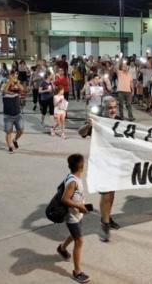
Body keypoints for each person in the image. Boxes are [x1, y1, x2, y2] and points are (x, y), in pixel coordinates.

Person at [81, 97, 122, 242]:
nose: (113, 110)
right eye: (110, 107)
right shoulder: (97, 120)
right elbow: (82, 132)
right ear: (104, 108)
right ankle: (104, 224)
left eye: (114, 107)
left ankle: (107, 217)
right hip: (101, 163)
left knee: (111, 193)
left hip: (114, 162)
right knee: (106, 194)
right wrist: (90, 125)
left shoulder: (119, 120)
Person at [57, 154, 90, 283]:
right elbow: (64, 199)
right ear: (82, 167)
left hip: (77, 214)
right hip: (72, 216)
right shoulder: (73, 181)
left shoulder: (74, 177)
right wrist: (79, 206)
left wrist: (80, 208)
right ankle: (77, 272)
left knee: (75, 235)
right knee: (79, 241)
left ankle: (62, 248)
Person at [1, 71, 24, 154]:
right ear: (10, 76)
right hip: (8, 115)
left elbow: (22, 89)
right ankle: (10, 146)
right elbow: (4, 91)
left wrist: (16, 82)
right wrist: (10, 81)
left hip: (17, 114)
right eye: (13, 75)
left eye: (16, 75)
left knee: (21, 130)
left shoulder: (17, 84)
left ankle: (15, 140)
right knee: (9, 132)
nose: (15, 76)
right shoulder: (4, 84)